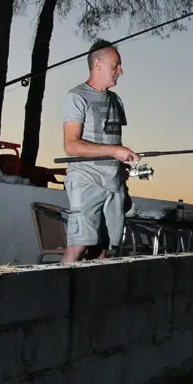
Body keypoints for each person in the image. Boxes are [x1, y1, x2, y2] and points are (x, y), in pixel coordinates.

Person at [61, 39, 140, 263]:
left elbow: (110, 138)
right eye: (116, 65)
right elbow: (71, 145)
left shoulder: (116, 101)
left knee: (103, 250)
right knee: (79, 246)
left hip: (113, 184)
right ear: (98, 64)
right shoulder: (76, 97)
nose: (120, 71)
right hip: (86, 180)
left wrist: (120, 164)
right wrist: (114, 151)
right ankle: (59, 295)